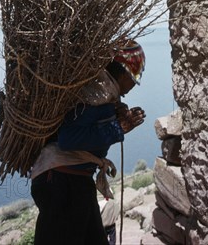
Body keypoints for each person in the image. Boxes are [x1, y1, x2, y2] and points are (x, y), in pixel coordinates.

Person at [30, 40, 146, 245]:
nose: (133, 85)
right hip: (62, 184)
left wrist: (116, 116)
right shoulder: (97, 94)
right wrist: (118, 127)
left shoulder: (103, 95)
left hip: (74, 182)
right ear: (122, 74)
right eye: (133, 78)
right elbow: (68, 139)